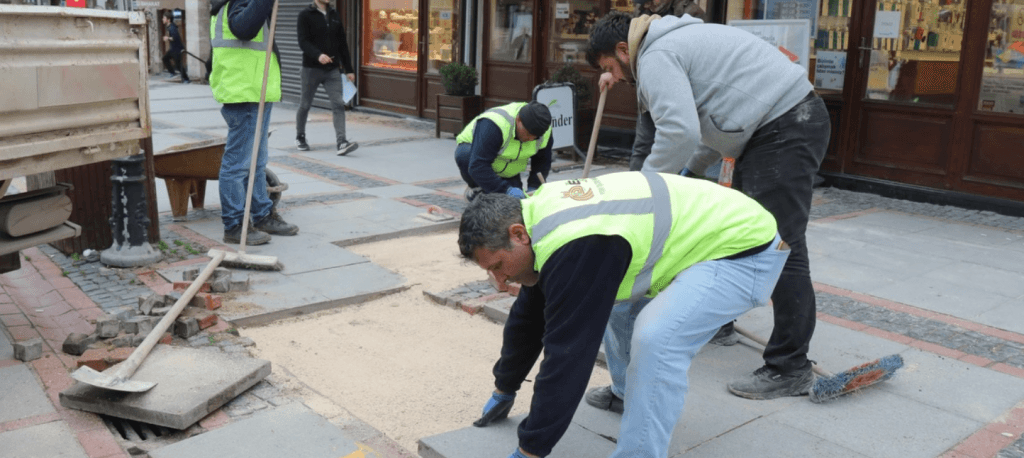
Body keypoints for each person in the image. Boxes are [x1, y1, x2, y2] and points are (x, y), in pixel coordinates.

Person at [585, 11, 831, 405]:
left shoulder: (656, 55)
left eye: (609, 67)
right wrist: (689, 171)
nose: (614, 77)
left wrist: (645, 190)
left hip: (785, 125)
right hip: (774, 127)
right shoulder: (672, 44)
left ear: (621, 50)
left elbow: (678, 131)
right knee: (731, 232)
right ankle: (721, 321)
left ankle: (790, 366)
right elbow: (704, 125)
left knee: (780, 244)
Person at [460, 171, 790, 458]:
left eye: (499, 267)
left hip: (744, 251)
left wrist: (530, 449)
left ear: (518, 234)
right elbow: (529, 318)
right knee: (615, 306)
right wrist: (505, 386)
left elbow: (567, 357)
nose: (500, 284)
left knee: (657, 339)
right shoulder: (538, 219)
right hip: (703, 234)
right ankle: (624, 392)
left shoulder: (575, 245)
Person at [209, 0, 299, 245]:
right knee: (238, 165)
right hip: (245, 93)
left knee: (257, 161)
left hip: (256, 90)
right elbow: (244, 28)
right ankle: (235, 224)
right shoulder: (234, 2)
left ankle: (262, 215)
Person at [454, 101, 553, 202]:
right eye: (528, 133)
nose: (530, 138)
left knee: (515, 204)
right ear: (518, 120)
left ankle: (495, 188)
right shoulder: (494, 124)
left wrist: (534, 187)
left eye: (535, 137)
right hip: (479, 161)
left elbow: (542, 162)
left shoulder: (543, 130)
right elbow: (478, 165)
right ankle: (477, 188)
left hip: (509, 169)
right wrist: (506, 190)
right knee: (464, 155)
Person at [294, 0, 358, 155]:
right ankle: (300, 136)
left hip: (332, 70)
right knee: (305, 105)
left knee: (338, 104)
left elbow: (342, 43)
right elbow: (303, 42)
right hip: (311, 69)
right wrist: (318, 55)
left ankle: (342, 142)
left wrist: (349, 69)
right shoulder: (305, 15)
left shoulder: (334, 14)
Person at [161, 12, 190, 84]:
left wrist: (167, 38)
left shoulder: (172, 27)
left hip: (177, 49)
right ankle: (172, 72)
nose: (162, 19)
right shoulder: (169, 26)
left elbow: (175, 37)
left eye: (164, 18)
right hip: (173, 49)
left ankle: (186, 79)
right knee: (165, 58)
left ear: (168, 19)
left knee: (178, 65)